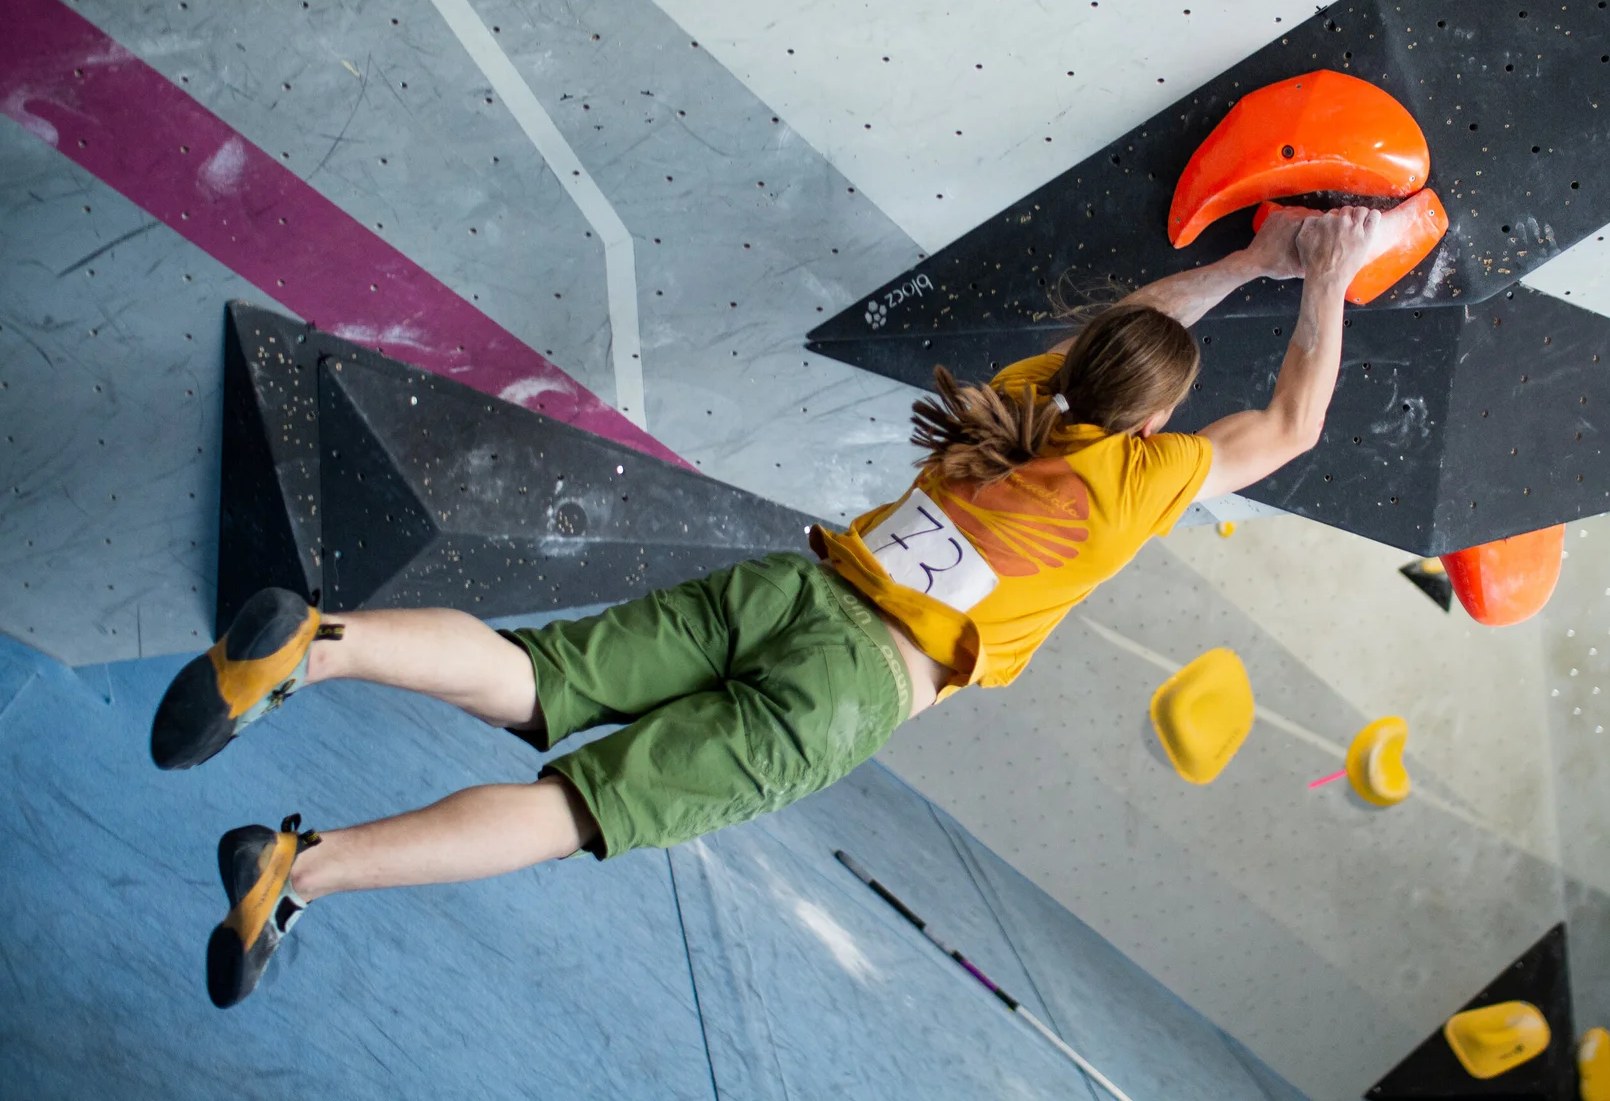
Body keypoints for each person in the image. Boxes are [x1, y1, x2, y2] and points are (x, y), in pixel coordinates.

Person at [151, 199, 1410, 1007]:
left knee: (538, 675)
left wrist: (1256, 252)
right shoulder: (1144, 476)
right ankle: (299, 872)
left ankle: (316, 646)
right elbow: (1289, 423)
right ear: (1157, 420)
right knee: (576, 807)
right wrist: (1330, 278)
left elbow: (1127, 342)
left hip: (793, 585)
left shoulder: (1027, 398)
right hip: (853, 689)